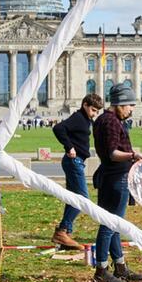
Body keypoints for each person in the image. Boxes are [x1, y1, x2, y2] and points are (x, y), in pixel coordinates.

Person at [91, 83, 142, 282]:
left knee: (115, 224)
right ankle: (101, 270)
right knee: (109, 225)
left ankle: (120, 267)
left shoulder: (102, 120)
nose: (131, 109)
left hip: (109, 177)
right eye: (130, 104)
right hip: (116, 178)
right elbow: (113, 153)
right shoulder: (111, 122)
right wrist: (133, 155)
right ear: (120, 103)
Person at [49, 93, 103, 250]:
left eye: (97, 111)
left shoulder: (85, 119)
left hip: (77, 161)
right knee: (81, 198)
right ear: (85, 104)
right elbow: (58, 128)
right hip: (74, 161)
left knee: (73, 198)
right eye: (93, 110)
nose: (94, 114)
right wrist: (69, 146)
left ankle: (65, 233)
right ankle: (62, 231)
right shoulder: (79, 117)